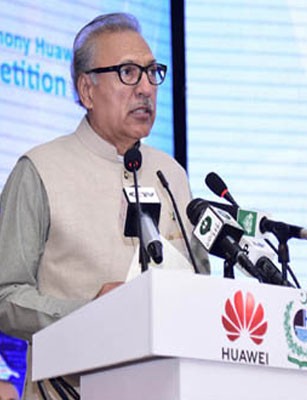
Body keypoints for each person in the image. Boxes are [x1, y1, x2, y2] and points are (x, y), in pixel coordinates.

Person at [0, 12, 210, 395]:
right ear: (87, 90)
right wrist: (89, 313)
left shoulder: (171, 174)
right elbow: (5, 296)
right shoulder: (39, 170)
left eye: (152, 72)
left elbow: (201, 284)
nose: (146, 88)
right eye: (128, 72)